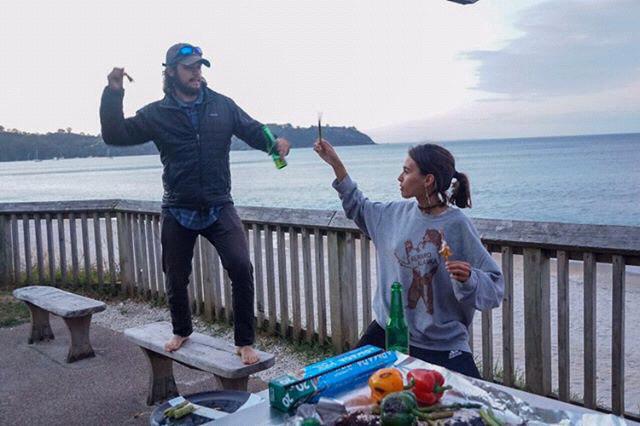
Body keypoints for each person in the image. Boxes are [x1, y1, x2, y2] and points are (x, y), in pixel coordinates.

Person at [99, 43, 290, 364]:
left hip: (218, 204)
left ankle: (245, 342)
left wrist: (276, 144)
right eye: (189, 67)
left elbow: (253, 130)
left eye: (199, 66)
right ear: (172, 72)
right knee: (175, 275)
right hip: (178, 207)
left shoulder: (222, 105)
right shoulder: (157, 114)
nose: (196, 72)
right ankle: (181, 330)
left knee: (241, 266)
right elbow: (115, 135)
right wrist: (113, 92)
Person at [314, 139, 503, 378]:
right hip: (387, 332)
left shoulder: (457, 224)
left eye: (406, 171)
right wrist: (336, 164)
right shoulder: (393, 214)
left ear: (428, 180)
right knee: (340, 383)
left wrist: (470, 279)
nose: (399, 177)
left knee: (472, 398)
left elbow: (495, 287)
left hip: (440, 344)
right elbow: (358, 206)